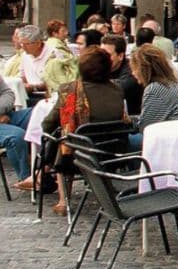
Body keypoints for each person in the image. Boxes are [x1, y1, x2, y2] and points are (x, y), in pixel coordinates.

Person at [41, 47, 127, 215]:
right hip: (112, 152)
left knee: (64, 138)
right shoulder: (117, 89)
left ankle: (63, 200)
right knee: (72, 137)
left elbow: (49, 123)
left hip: (77, 155)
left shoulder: (69, 90)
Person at [129, 45, 178, 130]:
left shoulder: (155, 89)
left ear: (144, 70)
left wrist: (130, 122)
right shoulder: (171, 83)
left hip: (175, 137)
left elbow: (145, 128)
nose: (133, 73)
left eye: (134, 69)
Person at [101, 34, 144, 116]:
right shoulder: (100, 67)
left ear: (120, 56)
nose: (101, 58)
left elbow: (118, 89)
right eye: (100, 54)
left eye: (107, 55)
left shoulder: (132, 71)